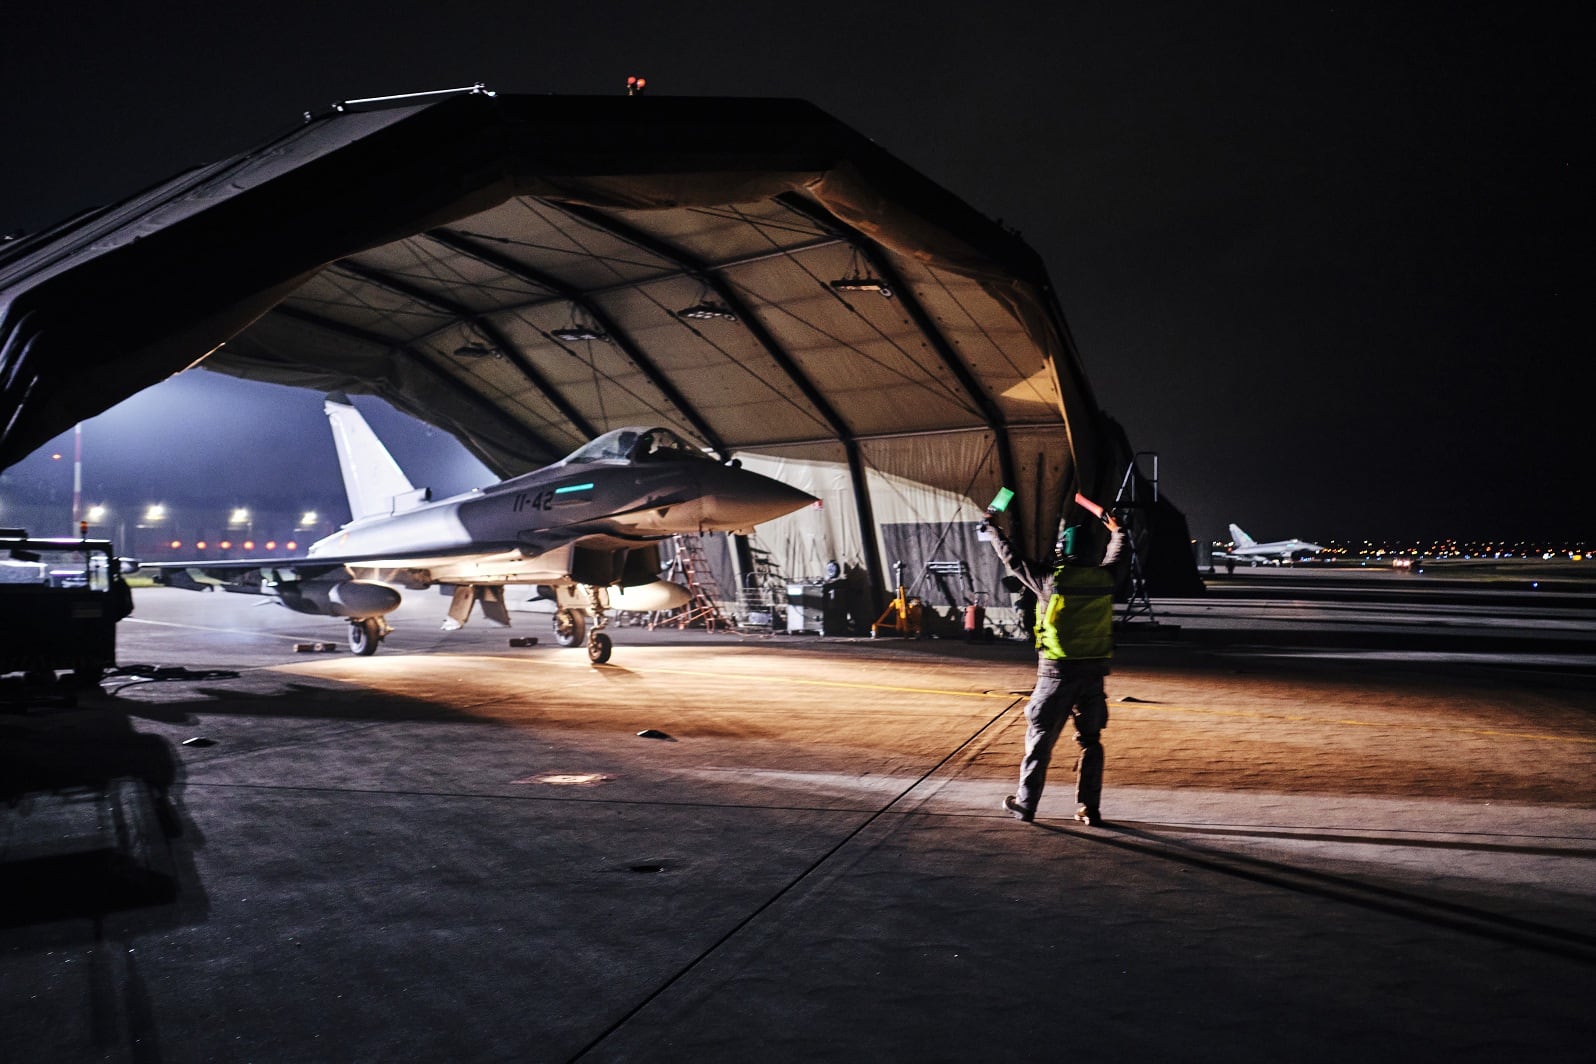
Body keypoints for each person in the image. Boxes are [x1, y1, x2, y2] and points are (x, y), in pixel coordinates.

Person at [981, 499, 1125, 826]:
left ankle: (1026, 804)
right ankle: (1089, 808)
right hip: (1093, 673)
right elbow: (1119, 550)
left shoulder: (1049, 579)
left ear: (1064, 550)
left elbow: (1010, 557)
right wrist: (1117, 530)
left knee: (1040, 739)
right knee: (1090, 741)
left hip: (1056, 673)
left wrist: (990, 525)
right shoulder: (1107, 579)